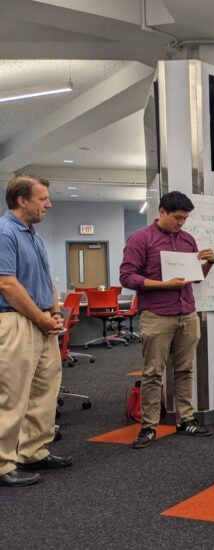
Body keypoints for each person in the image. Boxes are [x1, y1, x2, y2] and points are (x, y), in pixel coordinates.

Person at [120, 191, 214, 449]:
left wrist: (210, 263)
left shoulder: (187, 240)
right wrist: (162, 284)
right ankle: (149, 426)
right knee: (153, 373)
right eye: (177, 217)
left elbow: (196, 278)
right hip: (156, 314)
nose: (181, 223)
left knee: (185, 370)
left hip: (187, 312)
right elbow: (127, 277)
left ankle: (185, 419)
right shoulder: (140, 239)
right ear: (162, 211)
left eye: (185, 218)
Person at [0, 174, 72, 488]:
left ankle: (32, 450)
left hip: (42, 321)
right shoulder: (5, 232)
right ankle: (3, 463)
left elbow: (47, 277)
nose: (49, 205)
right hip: (15, 321)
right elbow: (6, 284)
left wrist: (54, 312)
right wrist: (40, 319)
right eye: (43, 199)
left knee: (45, 389)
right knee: (12, 395)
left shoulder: (33, 235)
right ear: (22, 200)